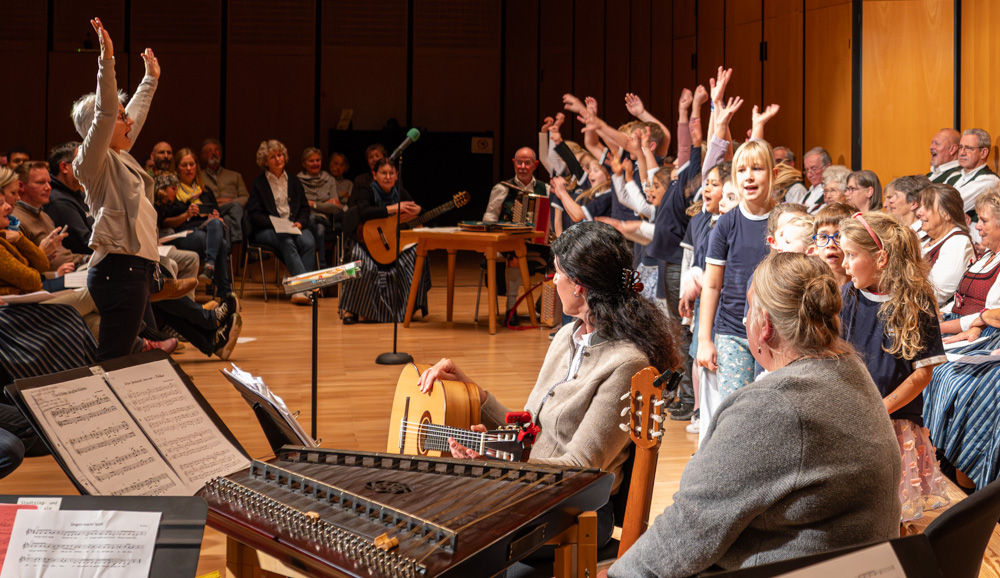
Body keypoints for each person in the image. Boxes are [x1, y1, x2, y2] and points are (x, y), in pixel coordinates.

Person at [610, 252, 901, 577]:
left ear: (764, 326)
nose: (745, 320)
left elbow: (691, 527)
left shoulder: (773, 405)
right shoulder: (851, 371)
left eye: (750, 310)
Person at [421, 221, 681, 550]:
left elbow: (581, 469)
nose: (553, 279)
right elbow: (527, 428)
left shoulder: (627, 363)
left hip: (576, 512)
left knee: (457, 527)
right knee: (438, 503)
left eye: (558, 271)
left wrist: (500, 459)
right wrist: (470, 391)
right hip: (532, 489)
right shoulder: (565, 336)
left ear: (579, 286)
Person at [840, 212, 950, 521]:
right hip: (852, 419)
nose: (844, 264)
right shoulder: (846, 296)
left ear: (881, 258)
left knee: (893, 512)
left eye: (851, 255)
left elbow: (923, 372)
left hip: (895, 422)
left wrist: (880, 407)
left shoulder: (917, 302)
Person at [71, 18, 166, 360]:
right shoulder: (91, 161)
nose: (128, 123)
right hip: (118, 272)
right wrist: (106, 61)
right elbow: (108, 110)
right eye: (121, 119)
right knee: (113, 359)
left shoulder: (119, 156)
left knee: (122, 357)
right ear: (101, 127)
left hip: (132, 271)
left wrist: (150, 81)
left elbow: (130, 117)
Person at [340, 158, 429, 324]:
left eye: (391, 173)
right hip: (363, 243)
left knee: (417, 256)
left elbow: (417, 212)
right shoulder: (367, 190)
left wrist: (420, 210)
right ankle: (352, 309)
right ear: (375, 175)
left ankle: (406, 309)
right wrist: (392, 209)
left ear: (396, 176)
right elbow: (364, 212)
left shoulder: (400, 192)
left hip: (390, 246)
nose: (388, 177)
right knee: (360, 264)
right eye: (383, 173)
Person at [246, 139, 316, 305]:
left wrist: (300, 222)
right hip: (268, 229)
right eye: (273, 157)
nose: (278, 159)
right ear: (265, 162)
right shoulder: (259, 183)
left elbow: (305, 209)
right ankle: (303, 289)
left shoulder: (294, 180)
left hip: (293, 226)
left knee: (309, 241)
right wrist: (276, 224)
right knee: (286, 240)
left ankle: (297, 286)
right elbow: (255, 215)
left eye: (280, 155)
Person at [153, 170, 232, 299]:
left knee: (217, 225)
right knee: (220, 243)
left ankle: (210, 266)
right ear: (163, 189)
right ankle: (224, 290)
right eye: (173, 188)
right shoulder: (161, 204)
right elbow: (164, 223)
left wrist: (215, 217)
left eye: (176, 188)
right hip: (174, 236)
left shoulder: (204, 191)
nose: (176, 191)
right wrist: (186, 215)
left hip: (198, 230)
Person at [917, 183, 976, 305]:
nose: (918, 212)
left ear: (947, 214)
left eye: (926, 207)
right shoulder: (924, 238)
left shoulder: (957, 242)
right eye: (920, 206)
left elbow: (936, 294)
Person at [44, 142, 93, 255]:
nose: (90, 168)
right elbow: (86, 244)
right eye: (84, 162)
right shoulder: (59, 201)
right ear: (64, 167)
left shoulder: (77, 193)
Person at [199, 138, 247, 241]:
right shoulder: (199, 177)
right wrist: (216, 203)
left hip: (234, 212)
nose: (214, 153)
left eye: (216, 150)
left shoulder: (235, 175)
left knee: (228, 219)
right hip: (214, 210)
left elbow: (246, 197)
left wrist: (232, 202)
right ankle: (239, 242)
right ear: (203, 157)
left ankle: (229, 252)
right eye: (209, 151)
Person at [948, 128, 999, 215]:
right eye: (960, 147)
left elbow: (948, 207)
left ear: (983, 153)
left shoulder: (988, 180)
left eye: (968, 148)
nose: (961, 153)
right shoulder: (955, 175)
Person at [883, 174, 932, 242]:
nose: (891, 200)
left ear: (913, 204)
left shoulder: (924, 235)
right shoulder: (896, 230)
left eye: (896, 196)